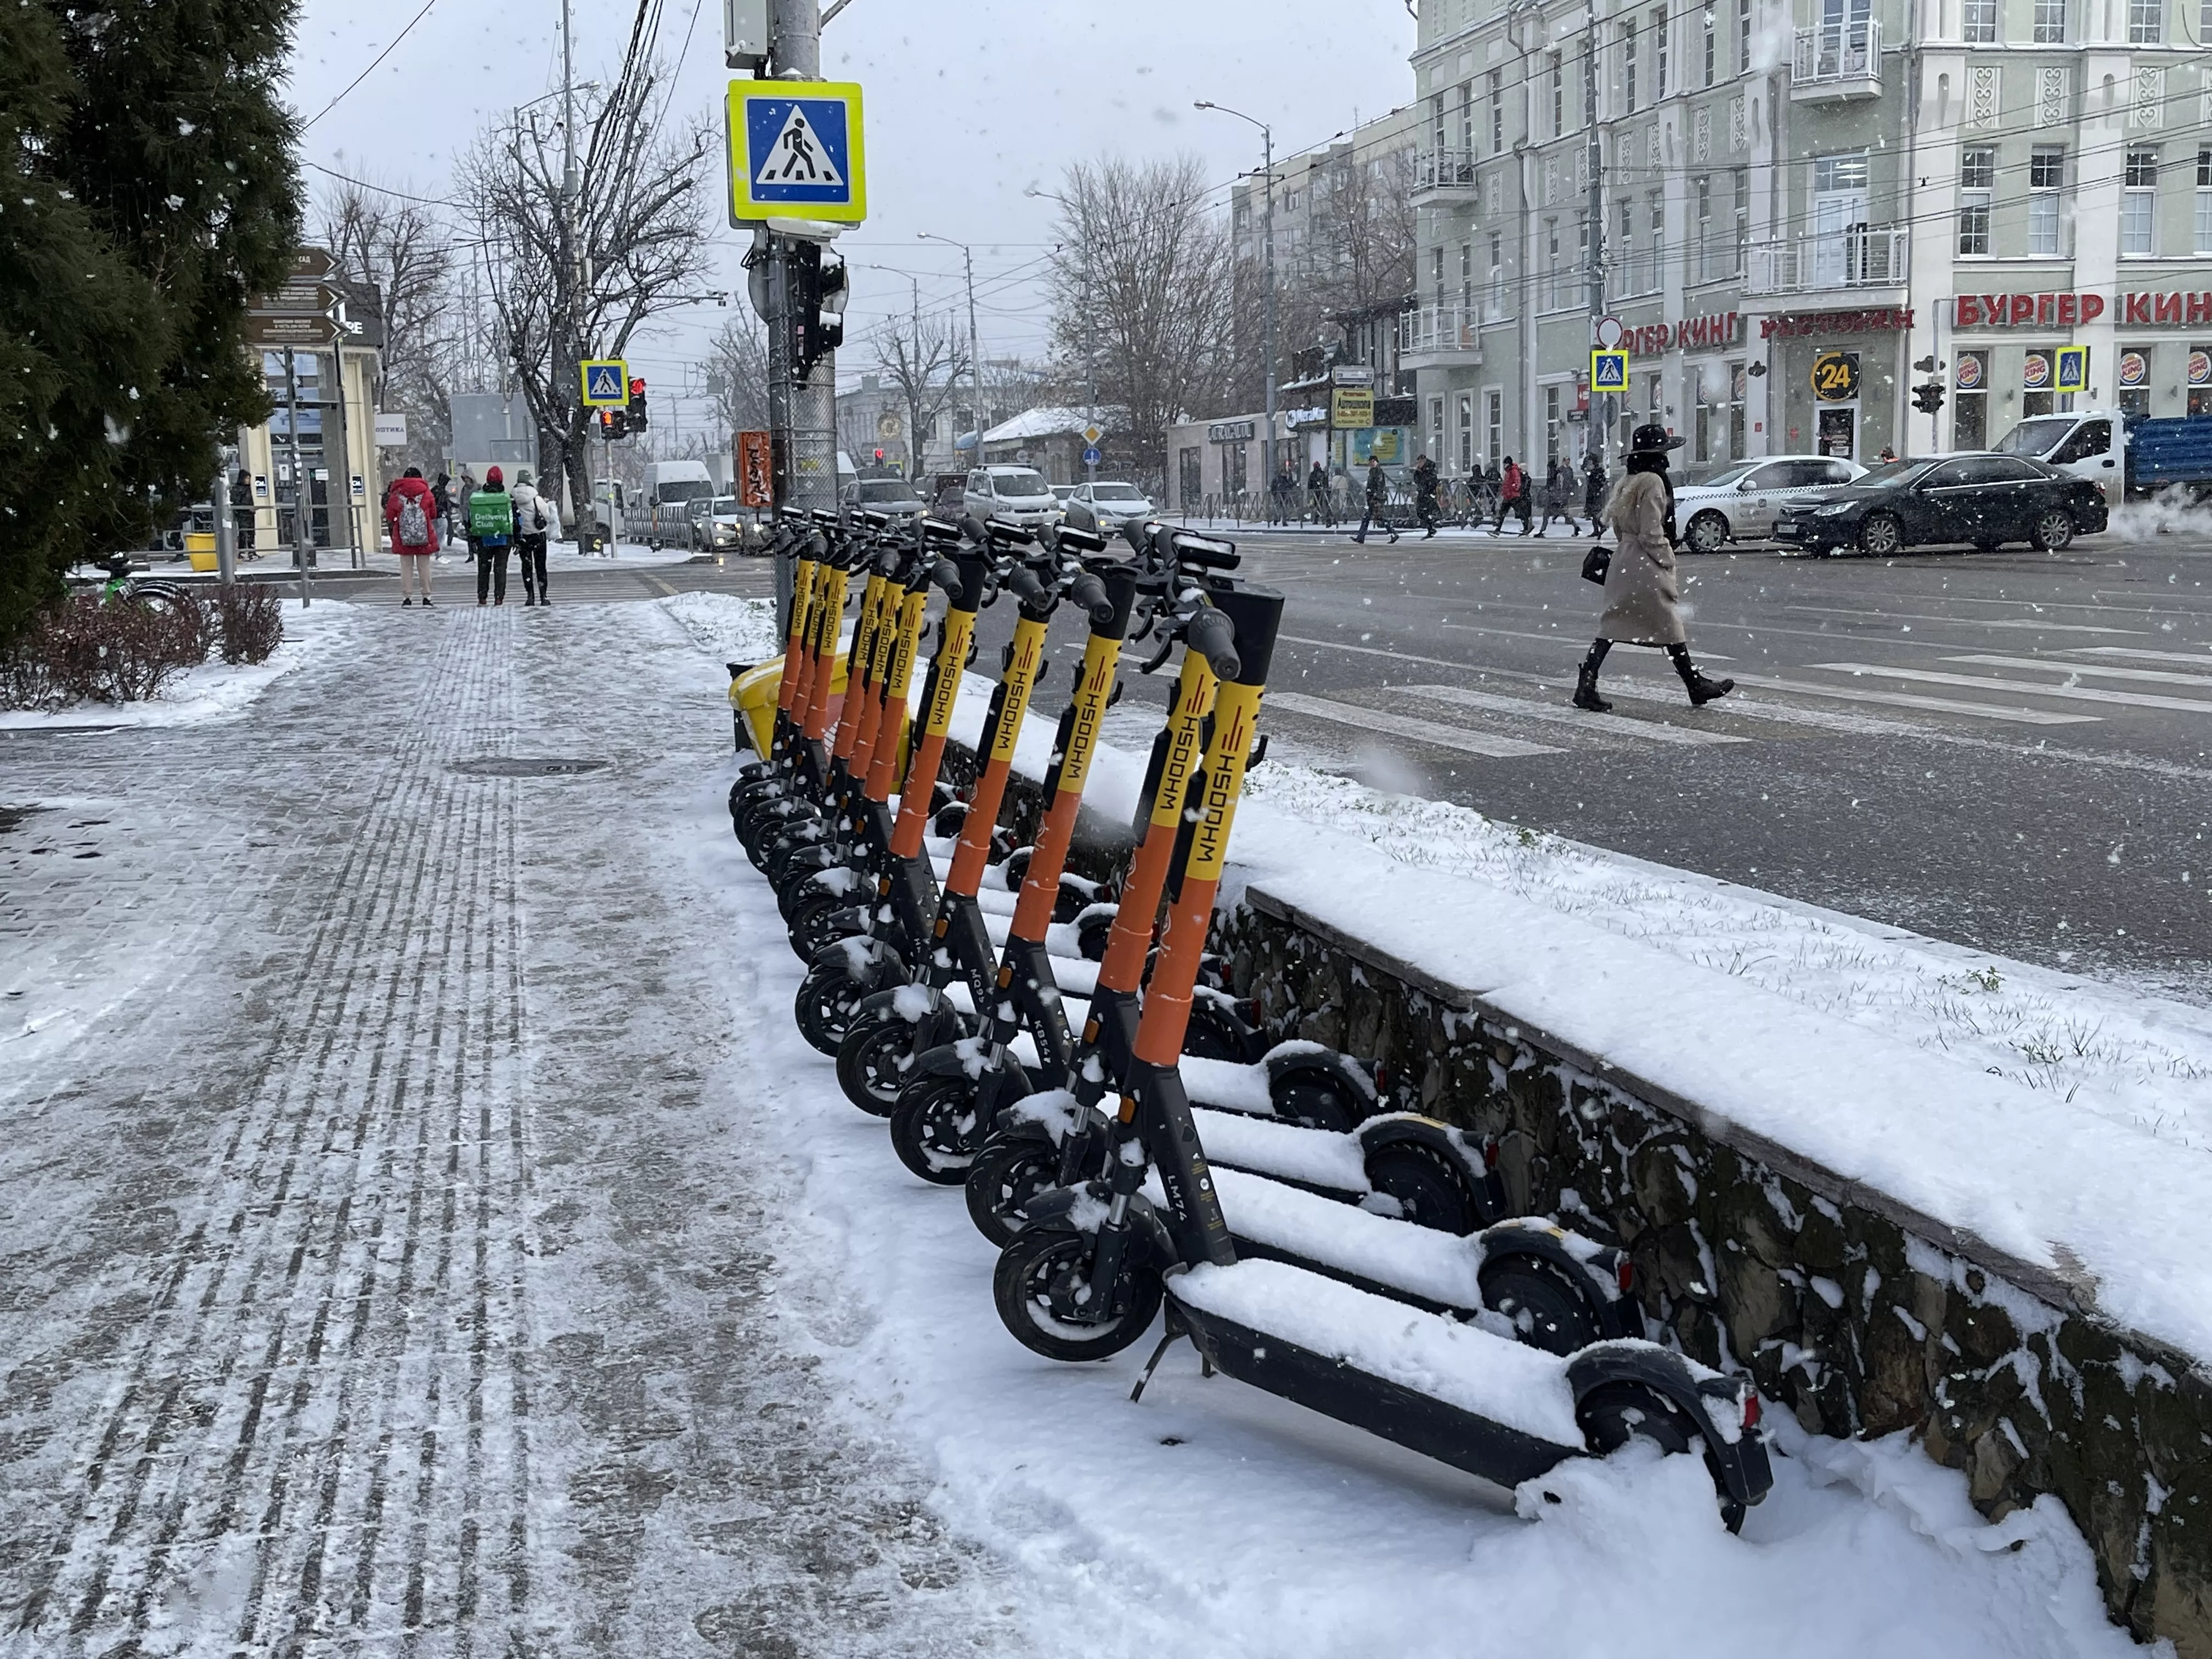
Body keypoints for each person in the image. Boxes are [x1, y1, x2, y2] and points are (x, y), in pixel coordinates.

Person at [1574, 424, 1733, 714]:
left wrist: (1630, 549)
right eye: (1664, 453)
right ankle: (1695, 684)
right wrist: (1667, 558)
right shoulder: (1654, 483)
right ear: (1658, 455)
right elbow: (1651, 531)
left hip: (1625, 559)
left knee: (1613, 624)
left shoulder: (1629, 481)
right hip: (1646, 563)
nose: (1667, 459)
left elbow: (1620, 527)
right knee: (1669, 623)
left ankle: (1586, 684)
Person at [384, 465, 440, 606]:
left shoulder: (397, 493)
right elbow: (433, 514)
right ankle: (426, 597)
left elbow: (390, 515)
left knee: (406, 567)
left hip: (404, 537)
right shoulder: (426, 492)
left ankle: (407, 598)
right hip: (424, 536)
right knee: (424, 567)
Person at [510, 469, 559, 607]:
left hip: (522, 537)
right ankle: (543, 596)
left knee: (527, 566)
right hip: (538, 535)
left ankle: (530, 596)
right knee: (540, 566)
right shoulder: (536, 498)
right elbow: (548, 517)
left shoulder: (513, 498)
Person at [469, 465, 516, 606]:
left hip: (484, 538)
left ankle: (482, 596)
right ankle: (499, 597)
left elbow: (470, 519)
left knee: (484, 569)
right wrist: (515, 538)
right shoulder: (507, 497)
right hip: (503, 539)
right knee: (500, 569)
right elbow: (514, 519)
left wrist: (473, 538)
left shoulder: (478, 498)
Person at [1351, 456, 1398, 544]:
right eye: (1371, 461)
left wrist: (1374, 495)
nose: (1372, 463)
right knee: (1368, 518)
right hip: (1373, 498)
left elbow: (1379, 485)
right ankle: (1361, 537)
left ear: (1377, 462)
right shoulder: (1373, 471)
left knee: (1380, 517)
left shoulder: (1378, 471)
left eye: (1374, 461)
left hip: (1377, 499)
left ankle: (1393, 534)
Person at [1538, 456, 1579, 538]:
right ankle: (1576, 527)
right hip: (1559, 497)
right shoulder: (1558, 473)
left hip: (1555, 497)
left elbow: (1558, 486)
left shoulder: (1555, 475)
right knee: (1564, 512)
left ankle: (1542, 531)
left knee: (1547, 513)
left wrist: (1553, 494)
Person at [1491, 454, 1533, 536]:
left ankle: (1526, 528)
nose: (1504, 466)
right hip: (1508, 496)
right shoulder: (1508, 471)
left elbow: (1517, 482)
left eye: (1505, 464)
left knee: (1519, 512)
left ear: (1509, 464)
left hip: (1514, 496)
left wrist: (1514, 489)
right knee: (1502, 513)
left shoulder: (1514, 471)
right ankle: (1498, 529)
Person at [1412, 454, 1442, 538]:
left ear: (1424, 461)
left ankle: (1432, 522)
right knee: (1421, 511)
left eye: (1420, 462)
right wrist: (1417, 472)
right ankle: (1430, 527)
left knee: (1429, 510)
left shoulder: (1430, 469)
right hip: (1422, 493)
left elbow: (1431, 481)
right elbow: (1417, 480)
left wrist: (1429, 490)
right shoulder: (1420, 470)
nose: (1419, 464)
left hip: (1429, 493)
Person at [1582, 450, 1610, 526]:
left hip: (1594, 493)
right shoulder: (1595, 472)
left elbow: (1600, 482)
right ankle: (1598, 528)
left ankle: (1601, 526)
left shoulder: (1596, 472)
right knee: (1593, 512)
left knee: (1594, 512)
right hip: (1593, 492)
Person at [1306, 460, 1333, 526]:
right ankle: (1325, 518)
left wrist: (1310, 490)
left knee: (1315, 506)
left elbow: (1309, 484)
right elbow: (1326, 483)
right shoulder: (1323, 474)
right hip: (1322, 492)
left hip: (1315, 492)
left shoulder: (1313, 475)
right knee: (1322, 505)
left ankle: (1317, 518)